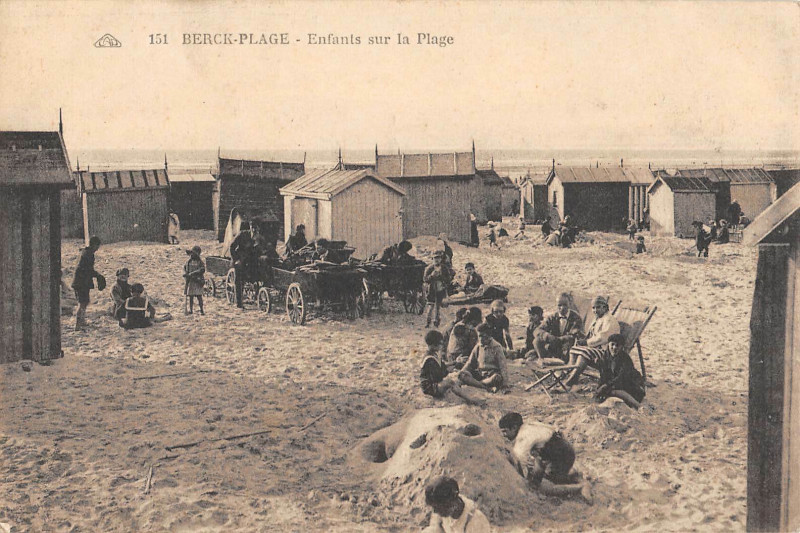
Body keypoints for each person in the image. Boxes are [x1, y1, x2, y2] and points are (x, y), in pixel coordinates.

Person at [499, 413, 592, 503]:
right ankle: (575, 476)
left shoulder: (522, 437)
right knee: (537, 475)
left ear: (514, 427)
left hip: (561, 455)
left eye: (505, 431)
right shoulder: (529, 425)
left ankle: (580, 488)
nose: (504, 435)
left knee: (542, 487)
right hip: (560, 450)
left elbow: (518, 460)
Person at [564, 296, 621, 388]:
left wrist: (586, 342)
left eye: (598, 307)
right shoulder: (599, 319)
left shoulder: (609, 320)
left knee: (583, 353)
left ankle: (570, 381)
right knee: (574, 349)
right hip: (597, 349)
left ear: (605, 307)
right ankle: (570, 374)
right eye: (593, 308)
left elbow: (602, 338)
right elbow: (593, 336)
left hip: (607, 352)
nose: (595, 310)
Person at [420, 330, 483, 406]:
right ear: (433, 345)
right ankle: (470, 400)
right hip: (430, 388)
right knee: (450, 382)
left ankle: (482, 387)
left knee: (461, 375)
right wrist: (448, 370)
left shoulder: (434, 354)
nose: (442, 345)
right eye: (440, 344)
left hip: (435, 383)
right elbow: (438, 376)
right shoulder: (429, 359)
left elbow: (442, 365)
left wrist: (455, 362)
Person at [423, 476, 492, 533]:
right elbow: (435, 528)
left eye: (437, 507)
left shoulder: (476, 521)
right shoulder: (443, 511)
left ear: (451, 502)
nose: (435, 511)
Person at [595, 333, 646, 409]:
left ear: (622, 347)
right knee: (602, 393)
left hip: (630, 384)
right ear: (608, 345)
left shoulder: (625, 359)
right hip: (616, 383)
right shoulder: (605, 356)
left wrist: (606, 386)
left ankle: (638, 405)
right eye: (612, 344)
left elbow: (621, 377)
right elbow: (604, 374)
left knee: (612, 391)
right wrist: (601, 385)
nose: (614, 347)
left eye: (617, 345)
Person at [533, 293, 583, 363]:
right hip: (553, 345)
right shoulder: (552, 317)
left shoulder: (576, 317)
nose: (562, 308)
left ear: (570, 304)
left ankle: (566, 365)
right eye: (559, 305)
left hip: (567, 346)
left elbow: (574, 334)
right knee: (537, 340)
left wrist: (559, 339)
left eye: (565, 305)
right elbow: (537, 330)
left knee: (570, 342)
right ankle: (544, 361)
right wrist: (547, 336)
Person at [459, 322, 509, 391]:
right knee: (463, 375)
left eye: (483, 336)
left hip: (491, 376)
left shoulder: (497, 347)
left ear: (489, 336)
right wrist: (463, 371)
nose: (480, 339)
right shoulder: (478, 346)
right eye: (479, 336)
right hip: (479, 374)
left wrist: (505, 385)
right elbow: (469, 363)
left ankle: (477, 384)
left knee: (497, 378)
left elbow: (503, 366)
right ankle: (485, 387)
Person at [71, 236, 105, 331]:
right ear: (94, 245)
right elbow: (87, 270)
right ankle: (78, 325)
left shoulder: (85, 252)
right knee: (82, 303)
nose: (98, 248)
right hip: (81, 282)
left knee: (85, 302)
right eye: (97, 246)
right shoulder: (88, 255)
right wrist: (98, 275)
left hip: (81, 282)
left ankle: (82, 321)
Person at [229, 223, 257, 309]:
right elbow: (232, 246)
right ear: (250, 227)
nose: (255, 230)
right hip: (240, 260)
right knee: (239, 280)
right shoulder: (242, 234)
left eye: (257, 228)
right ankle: (239, 303)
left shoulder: (258, 237)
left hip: (249, 260)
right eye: (253, 228)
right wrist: (236, 259)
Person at [424, 252, 452, 328]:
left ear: (441, 259)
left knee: (438, 308)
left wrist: (442, 277)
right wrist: (431, 276)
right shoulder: (429, 268)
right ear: (432, 259)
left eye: (438, 258)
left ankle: (436, 322)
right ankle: (428, 322)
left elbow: (449, 278)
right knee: (430, 307)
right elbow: (425, 279)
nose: (437, 260)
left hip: (440, 289)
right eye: (435, 258)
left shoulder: (444, 268)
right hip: (431, 290)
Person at [184, 245, 206, 315]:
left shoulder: (199, 262)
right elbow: (185, 269)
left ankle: (202, 309)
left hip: (198, 281)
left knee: (199, 296)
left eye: (193, 254)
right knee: (191, 296)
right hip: (191, 282)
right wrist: (186, 275)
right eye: (191, 254)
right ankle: (191, 310)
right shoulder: (188, 262)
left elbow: (202, 270)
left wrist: (193, 273)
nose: (191, 255)